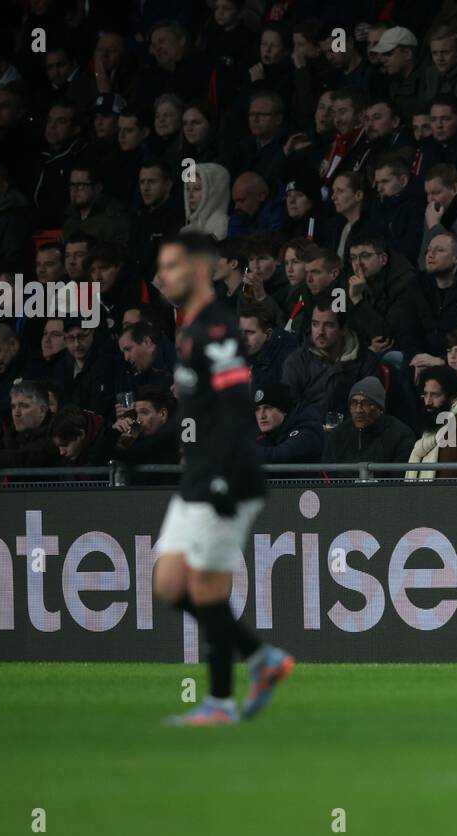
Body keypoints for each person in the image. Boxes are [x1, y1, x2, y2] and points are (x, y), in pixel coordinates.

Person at [151, 234, 293, 726]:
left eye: (171, 266)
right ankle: (261, 659)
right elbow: (197, 412)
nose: (161, 276)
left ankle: (219, 702)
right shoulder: (189, 329)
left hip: (228, 477)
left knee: (207, 589)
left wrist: (221, 478)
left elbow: (235, 410)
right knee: (169, 583)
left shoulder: (218, 329)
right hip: (199, 474)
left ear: (199, 269)